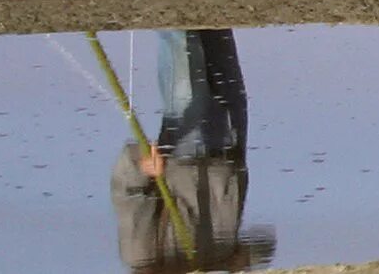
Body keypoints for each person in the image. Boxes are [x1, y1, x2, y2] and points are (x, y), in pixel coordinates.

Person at [110, 28, 275, 273]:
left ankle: (168, 2)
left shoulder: (141, 257)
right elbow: (267, 245)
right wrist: (241, 261)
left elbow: (127, 192)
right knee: (217, 32)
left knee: (182, 44)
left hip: (184, 150)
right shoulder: (213, 263)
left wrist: (142, 167)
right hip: (230, 148)